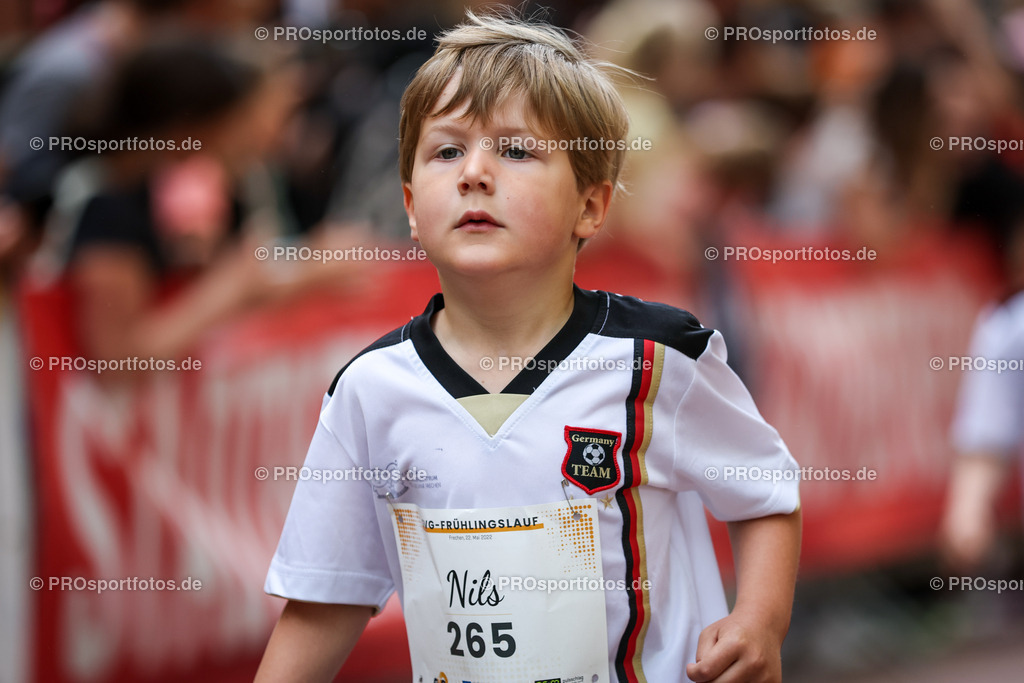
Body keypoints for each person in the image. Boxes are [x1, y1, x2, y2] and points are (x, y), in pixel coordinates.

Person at [256, 11, 801, 683]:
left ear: (591, 206)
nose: (474, 174)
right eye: (447, 151)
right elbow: (324, 598)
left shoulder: (661, 359)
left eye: (516, 151)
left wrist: (759, 620)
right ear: (409, 205)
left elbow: (766, 494)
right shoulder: (370, 389)